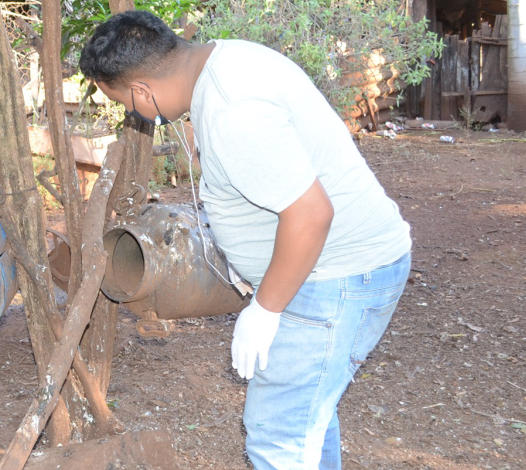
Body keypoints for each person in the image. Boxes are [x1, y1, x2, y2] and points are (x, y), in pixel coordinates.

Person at [80, 11, 412, 469]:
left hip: (334, 278)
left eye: (127, 104)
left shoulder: (233, 110)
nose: (133, 113)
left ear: (142, 90)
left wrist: (266, 309)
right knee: (306, 422)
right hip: (336, 269)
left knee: (278, 439)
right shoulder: (224, 59)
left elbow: (312, 215)